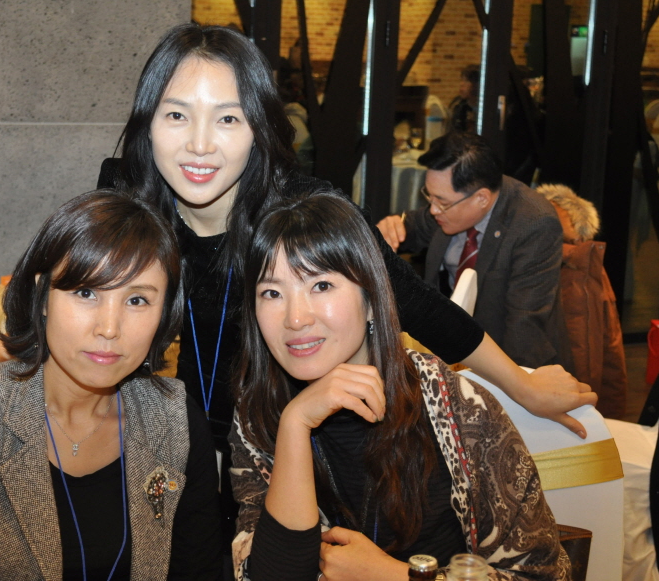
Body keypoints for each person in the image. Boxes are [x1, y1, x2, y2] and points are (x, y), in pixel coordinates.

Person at [0, 22, 592, 558]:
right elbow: (71, 304)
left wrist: (524, 385)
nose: (200, 145)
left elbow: (417, 303)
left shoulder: (299, 213)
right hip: (168, 444)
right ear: (148, 122)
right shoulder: (133, 196)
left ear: (259, 128)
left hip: (274, 445)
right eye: (177, 116)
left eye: (228, 119)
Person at [229, 191, 569, 580]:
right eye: (272, 293)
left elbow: (544, 574)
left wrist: (396, 577)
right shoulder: (258, 415)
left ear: (372, 299)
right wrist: (296, 422)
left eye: (321, 286)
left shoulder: (456, 407)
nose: (295, 318)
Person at [0, 190, 222, 580]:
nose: (109, 329)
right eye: (86, 292)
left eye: (137, 301)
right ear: (43, 295)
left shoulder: (177, 424)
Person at [377, 132, 571, 370]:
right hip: (449, 352)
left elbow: (525, 326)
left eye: (442, 202)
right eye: (430, 197)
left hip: (508, 362)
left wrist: (507, 385)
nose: (433, 210)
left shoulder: (534, 225)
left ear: (482, 198)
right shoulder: (451, 205)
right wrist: (390, 228)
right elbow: (413, 227)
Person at [536, 183, 627, 419]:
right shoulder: (582, 262)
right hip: (567, 400)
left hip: (556, 402)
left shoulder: (574, 268)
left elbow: (585, 352)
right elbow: (610, 349)